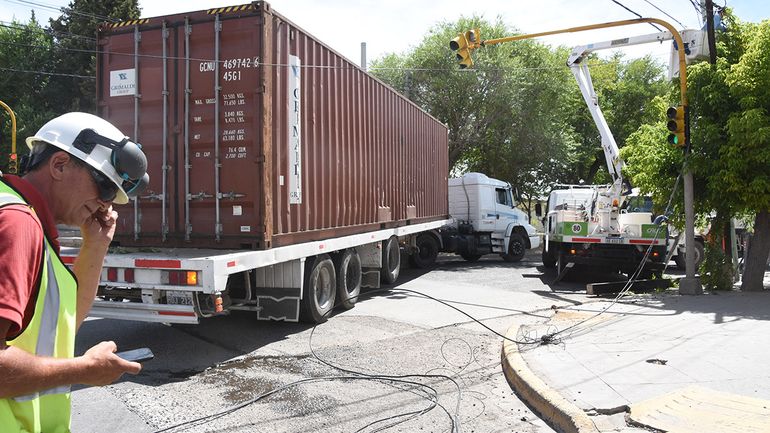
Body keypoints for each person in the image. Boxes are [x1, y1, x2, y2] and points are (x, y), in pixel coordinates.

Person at [0, 112, 150, 432]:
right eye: (104, 187)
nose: (104, 204)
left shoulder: (30, 221)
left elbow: (61, 326)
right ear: (59, 165)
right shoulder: (16, 223)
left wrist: (95, 246)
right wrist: (83, 370)